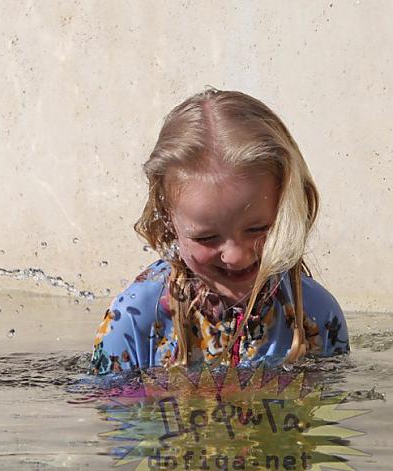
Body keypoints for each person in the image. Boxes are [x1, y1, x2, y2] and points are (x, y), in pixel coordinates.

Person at [91, 89, 349, 374]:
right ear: (167, 219)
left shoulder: (316, 315)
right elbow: (115, 414)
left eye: (258, 228)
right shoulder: (135, 319)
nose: (236, 256)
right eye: (206, 238)